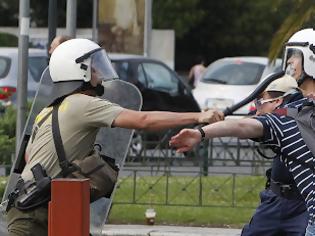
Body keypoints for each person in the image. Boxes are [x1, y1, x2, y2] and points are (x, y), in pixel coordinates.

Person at [5, 38, 224, 236]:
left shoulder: (48, 111)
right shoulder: (83, 104)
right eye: (95, 69)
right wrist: (199, 115)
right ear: (79, 71)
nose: (100, 75)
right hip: (37, 215)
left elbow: (28, 155)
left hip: (30, 205)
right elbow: (144, 120)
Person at [171, 28, 315, 236]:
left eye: (294, 57)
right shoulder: (290, 113)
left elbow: (244, 126)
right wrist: (201, 133)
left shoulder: (294, 114)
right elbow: (244, 125)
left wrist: (200, 133)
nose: (289, 64)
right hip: (279, 200)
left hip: (303, 208)